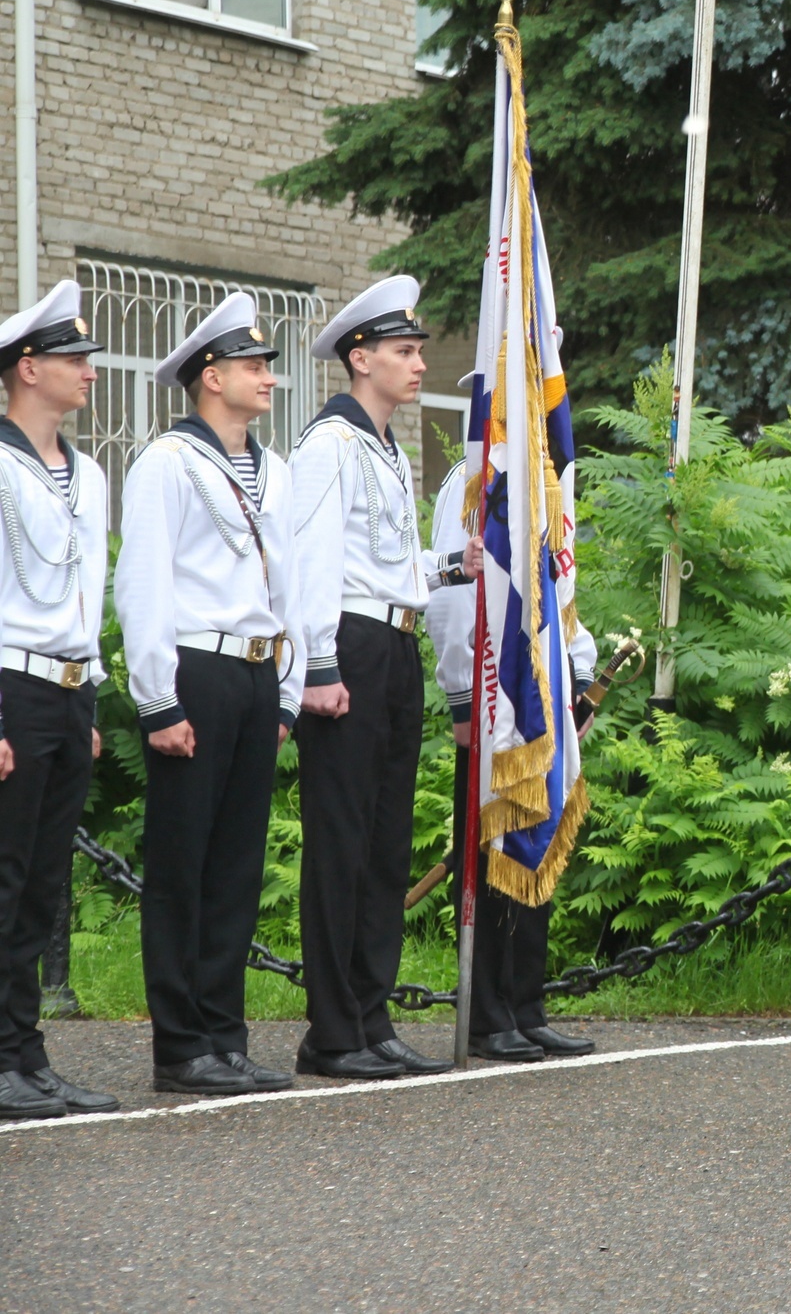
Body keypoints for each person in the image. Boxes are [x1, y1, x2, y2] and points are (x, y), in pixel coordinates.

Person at [116, 293, 305, 1096]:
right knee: (183, 864)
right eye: (254, 365)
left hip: (255, 672)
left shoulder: (276, 469)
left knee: (235, 864)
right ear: (211, 376)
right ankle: (181, 1043)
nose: (269, 376)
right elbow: (144, 581)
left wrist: (288, 692)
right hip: (195, 667)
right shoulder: (169, 461)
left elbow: (288, 583)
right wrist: (158, 699)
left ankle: (224, 1035)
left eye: (267, 364)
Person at [286, 278, 451, 1082]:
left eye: (417, 351)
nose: (418, 364)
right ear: (361, 357)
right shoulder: (331, 443)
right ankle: (333, 1026)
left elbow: (386, 560)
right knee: (343, 839)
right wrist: (316, 664)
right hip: (348, 646)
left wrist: (450, 567)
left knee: (386, 839)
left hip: (395, 646)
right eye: (404, 351)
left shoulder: (383, 446)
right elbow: (314, 558)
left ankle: (371, 1010)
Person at [425, 448, 598, 1063]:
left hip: (543, 695)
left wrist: (576, 673)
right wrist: (462, 698)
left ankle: (525, 1005)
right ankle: (487, 1014)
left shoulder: (542, 475)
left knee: (538, 841)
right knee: (495, 845)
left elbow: (558, 587)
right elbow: (451, 603)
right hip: (495, 702)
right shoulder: (477, 476)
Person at [0, 283, 114, 1118]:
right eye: (74, 359)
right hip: (12, 687)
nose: (89, 372)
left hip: (69, 692)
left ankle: (27, 1054)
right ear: (27, 367)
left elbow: (88, 592)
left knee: (43, 885)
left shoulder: (89, 473)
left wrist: (95, 702)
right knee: (4, 880)